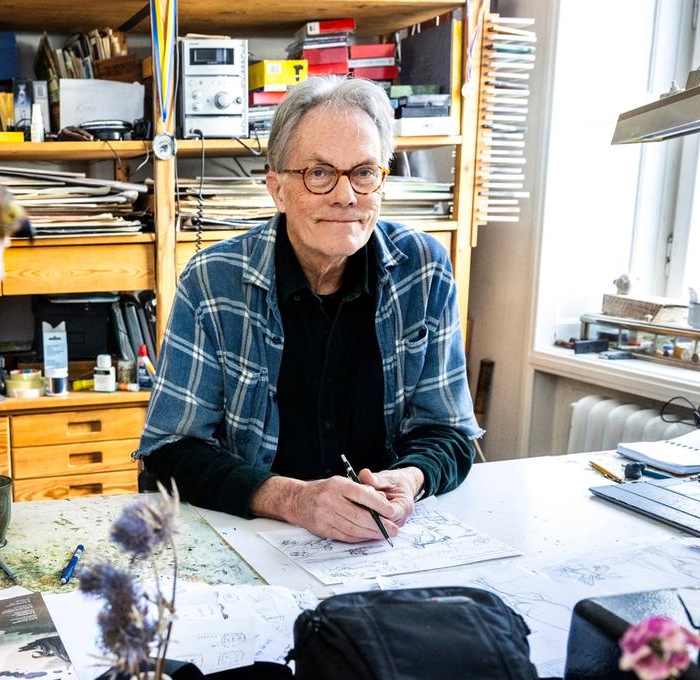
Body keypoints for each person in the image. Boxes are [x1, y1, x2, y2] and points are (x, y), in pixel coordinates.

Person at [136, 77, 482, 543]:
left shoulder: (424, 270)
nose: (346, 196)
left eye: (363, 172)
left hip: (386, 539)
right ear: (276, 189)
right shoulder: (212, 281)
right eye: (319, 173)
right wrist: (293, 500)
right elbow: (168, 453)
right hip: (258, 539)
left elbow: (449, 432)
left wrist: (409, 479)